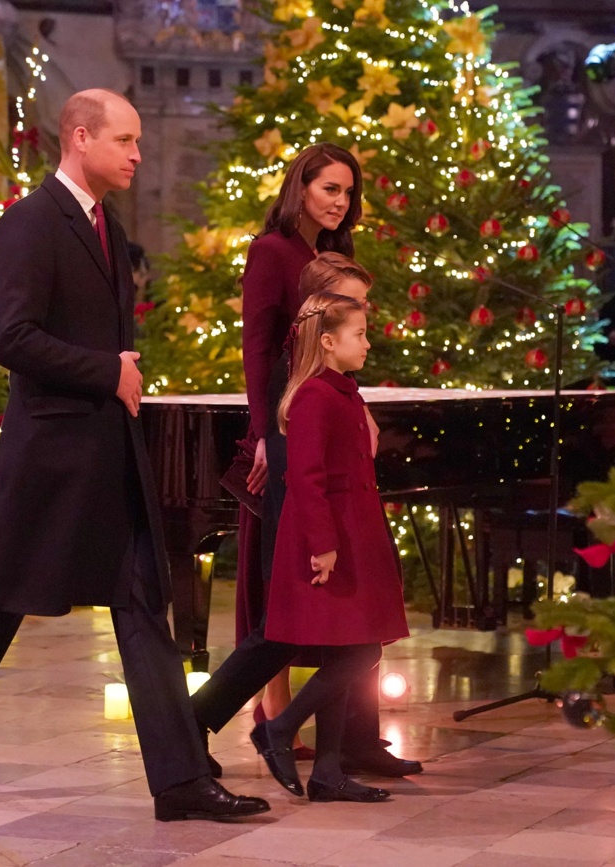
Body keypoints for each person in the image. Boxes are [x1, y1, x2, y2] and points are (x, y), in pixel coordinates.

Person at [0, 89, 268, 823]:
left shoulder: (106, 221)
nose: (137, 153)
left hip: (109, 455)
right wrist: (108, 371)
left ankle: (180, 782)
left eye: (137, 140)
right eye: (125, 140)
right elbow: (12, 336)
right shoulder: (30, 223)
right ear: (79, 138)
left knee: (143, 610)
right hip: (50, 460)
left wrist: (116, 379)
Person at [190, 143, 420, 778]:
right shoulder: (273, 252)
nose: (339, 200)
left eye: (348, 191)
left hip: (320, 415)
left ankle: (354, 741)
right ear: (301, 187)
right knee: (295, 603)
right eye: (328, 188)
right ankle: (208, 723)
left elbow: (330, 353)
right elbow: (260, 348)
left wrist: (361, 404)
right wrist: (266, 433)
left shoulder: (330, 259)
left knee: (351, 596)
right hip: (290, 428)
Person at [252, 290, 410, 803]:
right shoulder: (316, 396)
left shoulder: (342, 390)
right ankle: (280, 729)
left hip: (353, 533)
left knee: (352, 647)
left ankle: (327, 772)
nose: (367, 343)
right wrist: (323, 545)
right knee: (358, 649)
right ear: (327, 341)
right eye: (359, 334)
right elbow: (306, 477)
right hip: (332, 539)